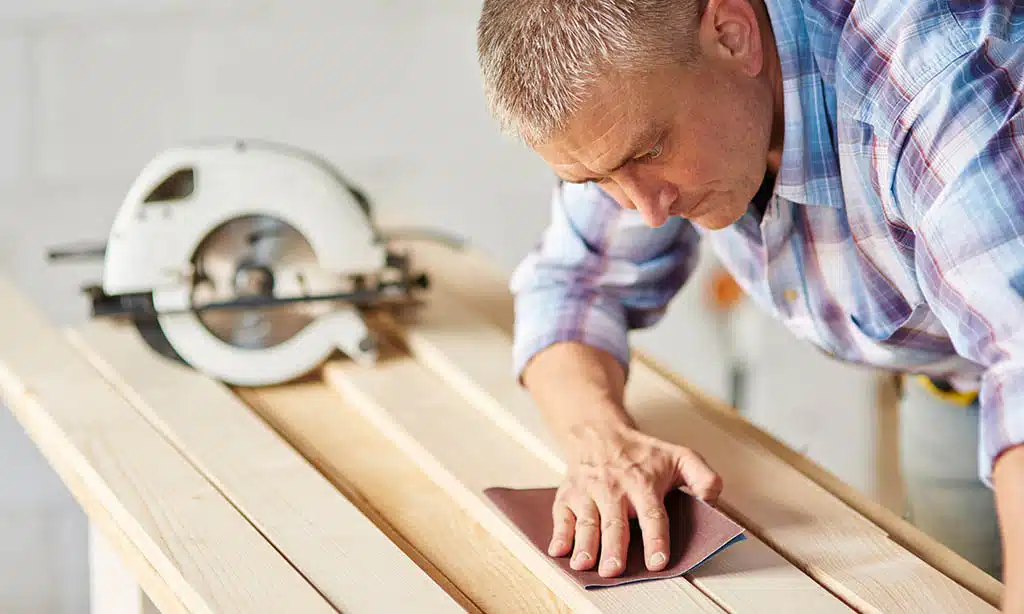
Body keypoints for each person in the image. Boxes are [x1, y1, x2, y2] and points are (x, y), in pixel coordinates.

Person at [475, 0, 1024, 609]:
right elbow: (574, 285)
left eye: (651, 150)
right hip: (950, 377)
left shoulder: (933, 72)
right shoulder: (630, 106)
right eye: (598, 179)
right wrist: (603, 442)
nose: (645, 211)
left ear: (732, 36)